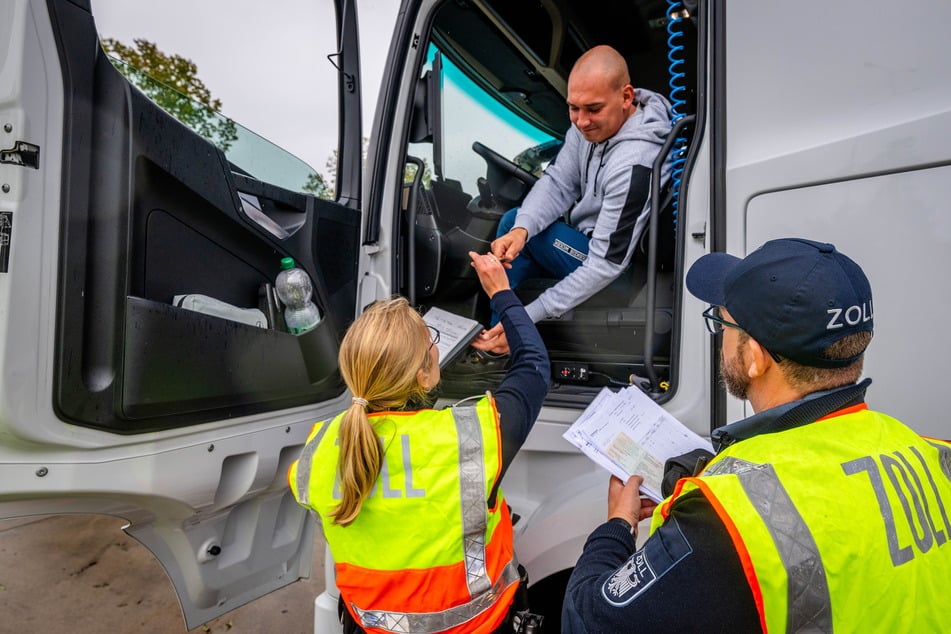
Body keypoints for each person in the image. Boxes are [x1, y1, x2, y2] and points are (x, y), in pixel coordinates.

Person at [562, 238, 951, 632]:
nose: (720, 337)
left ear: (754, 358)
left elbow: (588, 620)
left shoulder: (723, 519)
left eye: (723, 323)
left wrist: (617, 526)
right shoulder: (936, 457)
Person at [288, 251, 550, 634]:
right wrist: (502, 293)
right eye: (433, 345)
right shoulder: (472, 437)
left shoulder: (318, 450)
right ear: (424, 378)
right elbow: (534, 366)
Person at [473, 45, 672, 355]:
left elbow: (605, 265)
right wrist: (521, 231)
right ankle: (500, 334)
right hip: (585, 247)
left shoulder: (636, 161)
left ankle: (505, 339)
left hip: (618, 275)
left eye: (593, 109)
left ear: (627, 97)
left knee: (526, 227)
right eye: (573, 108)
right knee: (517, 225)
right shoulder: (585, 130)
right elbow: (558, 182)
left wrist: (530, 314)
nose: (581, 121)